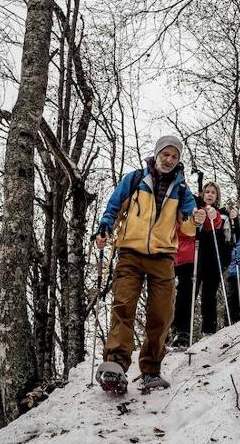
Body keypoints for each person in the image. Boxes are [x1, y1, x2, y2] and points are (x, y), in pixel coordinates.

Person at [93, 135, 196, 392]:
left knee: (161, 316)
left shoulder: (182, 190)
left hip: (162, 257)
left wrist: (198, 217)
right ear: (157, 153)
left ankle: (151, 370)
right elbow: (113, 206)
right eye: (166, 154)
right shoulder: (135, 179)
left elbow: (190, 227)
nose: (169, 160)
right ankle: (115, 367)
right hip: (130, 253)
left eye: (174, 156)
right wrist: (104, 228)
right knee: (123, 307)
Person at [172, 180, 230, 347]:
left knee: (209, 295)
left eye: (213, 192)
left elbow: (227, 240)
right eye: (207, 192)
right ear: (203, 194)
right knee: (189, 292)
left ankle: (209, 330)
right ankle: (181, 330)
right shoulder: (195, 207)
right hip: (196, 256)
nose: (210, 195)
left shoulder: (222, 214)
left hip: (214, 259)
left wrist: (225, 260)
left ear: (217, 196)